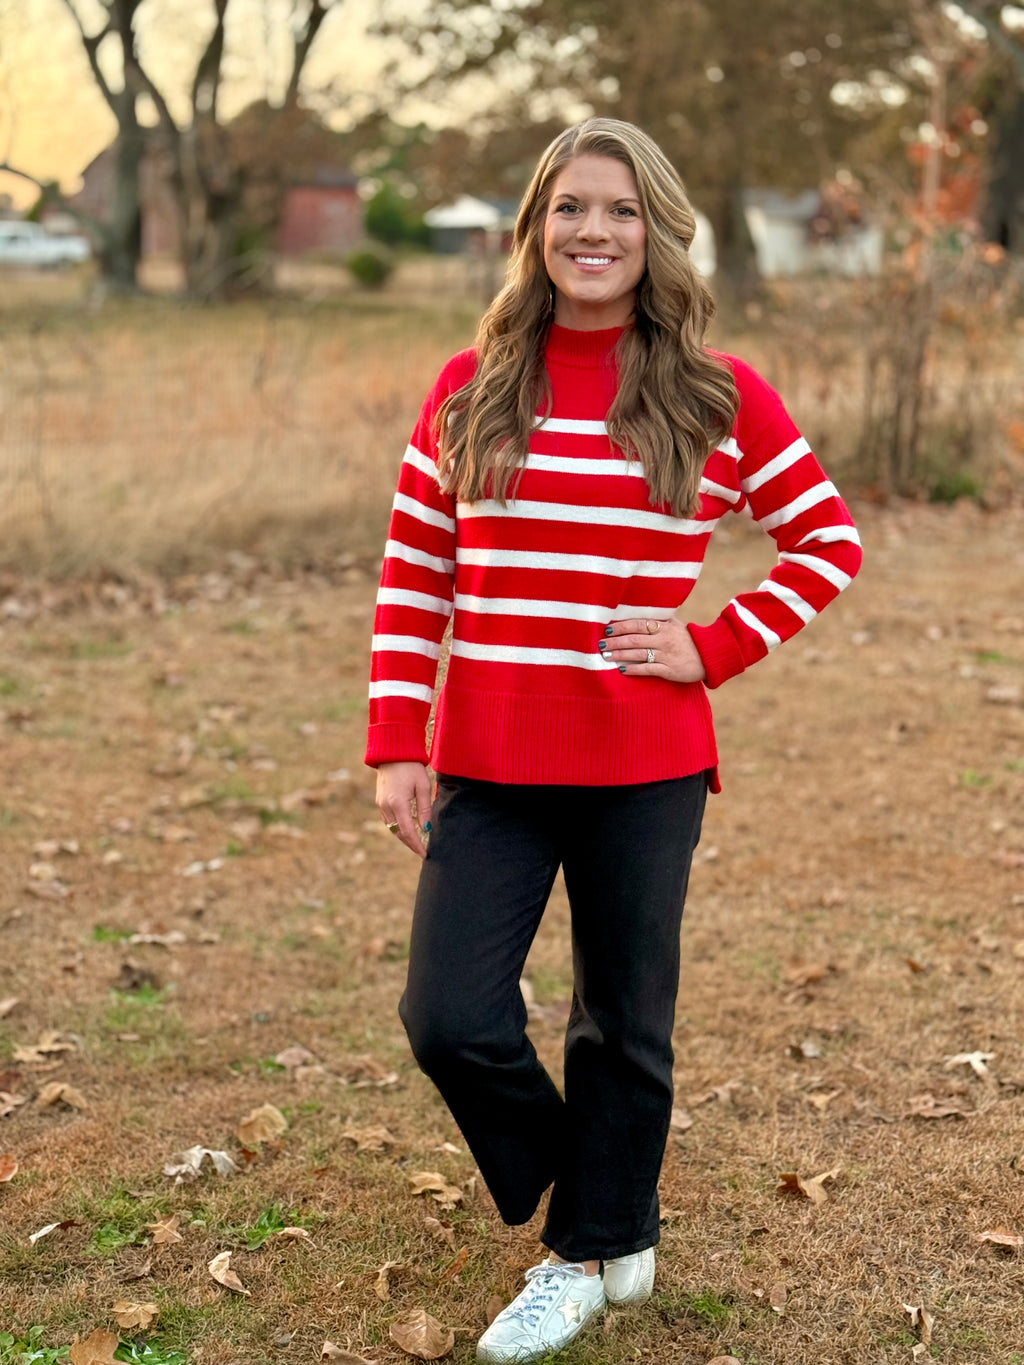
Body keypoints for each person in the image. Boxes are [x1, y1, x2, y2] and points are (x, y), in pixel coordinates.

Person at [365, 117, 861, 1364]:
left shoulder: (712, 392)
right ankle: (603, 1190)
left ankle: (589, 1252)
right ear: (535, 228)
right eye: (571, 209)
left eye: (622, 211)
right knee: (449, 1017)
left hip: (643, 761)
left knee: (622, 1022)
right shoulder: (470, 385)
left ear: (657, 233)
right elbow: (417, 566)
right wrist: (394, 739)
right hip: (486, 755)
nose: (595, 232)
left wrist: (712, 643)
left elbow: (828, 544)